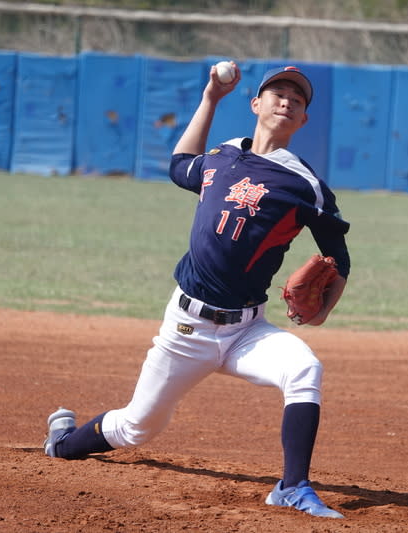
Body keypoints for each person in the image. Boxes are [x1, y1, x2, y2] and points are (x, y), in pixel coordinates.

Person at [43, 63, 351, 519]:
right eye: (278, 93)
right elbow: (179, 166)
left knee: (304, 368)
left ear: (303, 120)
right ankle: (63, 443)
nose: (287, 101)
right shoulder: (223, 156)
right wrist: (210, 98)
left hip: (248, 330)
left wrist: (324, 310)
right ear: (256, 104)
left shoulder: (304, 185)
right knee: (136, 427)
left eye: (298, 99)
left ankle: (292, 486)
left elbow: (338, 255)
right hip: (188, 328)